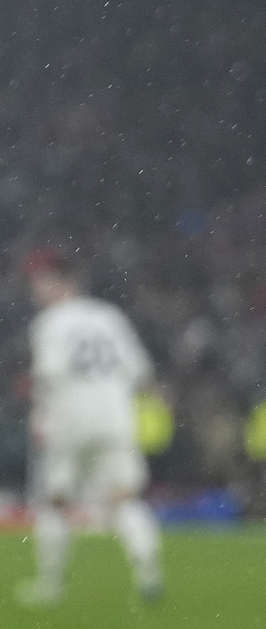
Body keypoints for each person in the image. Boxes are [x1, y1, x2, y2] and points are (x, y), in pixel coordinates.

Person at [16, 250, 164, 607]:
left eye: (40, 282)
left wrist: (41, 421)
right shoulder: (109, 316)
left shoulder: (52, 322)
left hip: (70, 418)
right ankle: (149, 577)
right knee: (124, 498)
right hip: (115, 417)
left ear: (58, 283)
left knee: (55, 501)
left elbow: (48, 378)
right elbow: (140, 373)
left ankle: (51, 586)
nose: (36, 290)